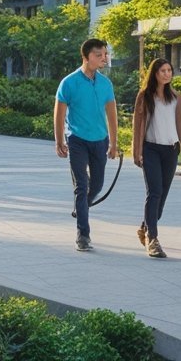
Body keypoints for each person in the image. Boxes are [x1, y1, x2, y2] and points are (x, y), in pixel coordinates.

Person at [54, 37, 119, 253]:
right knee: (81, 186)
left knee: (97, 185)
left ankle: (80, 205)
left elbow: (112, 114)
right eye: (98, 55)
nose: (103, 58)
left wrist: (114, 143)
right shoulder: (69, 82)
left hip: (100, 140)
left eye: (105, 54)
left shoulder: (105, 84)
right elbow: (59, 111)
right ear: (86, 57)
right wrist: (59, 140)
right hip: (77, 139)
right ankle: (83, 234)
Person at [131, 58, 181, 258]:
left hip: (170, 151)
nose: (167, 74)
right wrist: (136, 151)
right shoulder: (145, 96)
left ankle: (144, 226)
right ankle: (153, 239)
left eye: (169, 70)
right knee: (154, 192)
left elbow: (180, 126)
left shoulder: (175, 97)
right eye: (163, 70)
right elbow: (137, 125)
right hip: (150, 150)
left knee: (162, 197)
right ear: (154, 73)